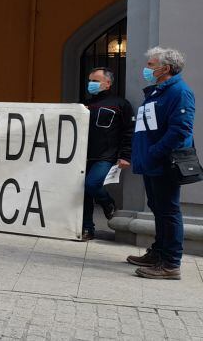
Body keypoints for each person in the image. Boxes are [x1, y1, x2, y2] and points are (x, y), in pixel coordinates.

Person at [129, 47, 195, 280]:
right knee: (158, 208)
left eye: (150, 65)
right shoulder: (158, 91)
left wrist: (155, 152)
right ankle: (158, 253)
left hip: (164, 162)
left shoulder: (179, 91)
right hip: (152, 161)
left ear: (165, 68)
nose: (147, 69)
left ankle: (170, 264)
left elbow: (181, 130)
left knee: (168, 211)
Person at [80, 67, 133, 241]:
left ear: (107, 83)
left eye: (95, 81)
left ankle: (108, 203)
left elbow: (129, 131)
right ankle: (87, 228)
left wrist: (126, 156)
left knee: (92, 184)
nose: (91, 84)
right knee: (84, 194)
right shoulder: (85, 105)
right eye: (90, 81)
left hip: (106, 156)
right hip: (82, 156)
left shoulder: (120, 104)